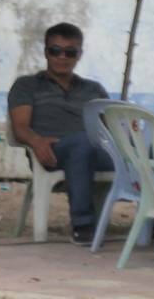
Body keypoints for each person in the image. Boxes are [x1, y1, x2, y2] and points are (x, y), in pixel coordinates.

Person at [7, 22, 113, 244]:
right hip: (52, 149)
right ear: (46, 52)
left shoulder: (93, 89)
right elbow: (20, 127)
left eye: (70, 52)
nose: (62, 57)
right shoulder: (26, 85)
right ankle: (83, 226)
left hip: (96, 150)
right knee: (82, 143)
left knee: (150, 150)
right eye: (55, 50)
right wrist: (36, 142)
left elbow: (110, 126)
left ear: (79, 55)